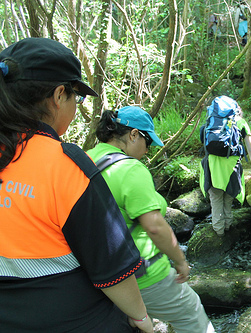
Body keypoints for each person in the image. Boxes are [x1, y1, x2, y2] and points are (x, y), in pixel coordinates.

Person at [0, 38, 153, 332]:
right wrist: (141, 318)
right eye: (76, 97)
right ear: (59, 95)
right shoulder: (63, 163)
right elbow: (113, 268)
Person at [86, 106, 214, 333]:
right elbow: (154, 227)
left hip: (99, 273)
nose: (148, 150)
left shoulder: (86, 159)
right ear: (133, 134)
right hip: (142, 275)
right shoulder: (130, 169)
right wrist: (180, 261)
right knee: (192, 315)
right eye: (148, 142)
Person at [200, 96, 251, 236]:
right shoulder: (240, 122)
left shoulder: (211, 121)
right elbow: (250, 149)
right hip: (231, 169)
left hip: (212, 168)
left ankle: (219, 234)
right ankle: (227, 228)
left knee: (216, 202)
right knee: (228, 200)